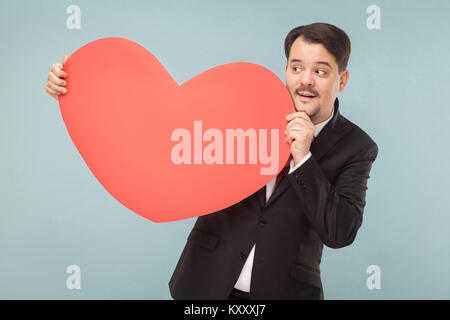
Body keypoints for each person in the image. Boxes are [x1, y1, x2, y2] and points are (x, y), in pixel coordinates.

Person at [44, 22, 378, 300]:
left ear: (342, 80)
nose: (305, 80)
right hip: (204, 285)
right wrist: (77, 86)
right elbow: (149, 128)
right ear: (286, 70)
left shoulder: (357, 147)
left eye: (320, 71)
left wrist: (303, 157)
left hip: (283, 291)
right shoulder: (245, 107)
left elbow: (340, 231)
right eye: (296, 67)